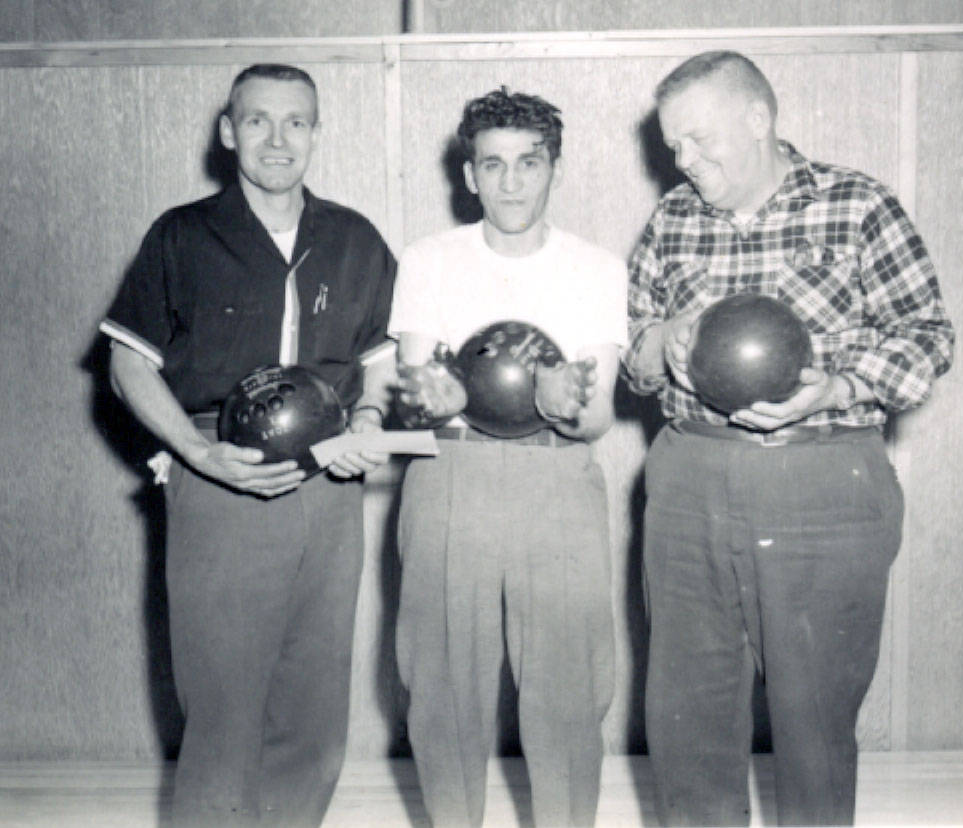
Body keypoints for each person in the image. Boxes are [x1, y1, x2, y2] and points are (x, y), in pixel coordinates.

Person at [622, 51, 954, 826]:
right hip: (690, 481)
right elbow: (635, 362)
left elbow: (929, 337)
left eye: (699, 140)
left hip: (823, 480)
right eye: (673, 146)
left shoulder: (858, 204)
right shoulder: (672, 220)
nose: (684, 161)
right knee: (688, 718)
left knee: (814, 725)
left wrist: (836, 386)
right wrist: (662, 336)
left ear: (759, 118)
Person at [99, 64, 396, 826]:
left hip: (329, 485)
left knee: (314, 709)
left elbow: (383, 363)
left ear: (315, 134)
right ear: (228, 132)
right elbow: (129, 361)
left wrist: (368, 425)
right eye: (257, 120)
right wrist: (196, 456)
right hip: (219, 472)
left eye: (296, 122)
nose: (277, 139)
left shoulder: (354, 238)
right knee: (224, 707)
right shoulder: (182, 234)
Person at [387, 87, 628, 826]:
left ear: (555, 167)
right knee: (443, 684)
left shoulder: (596, 266)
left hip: (556, 476)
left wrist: (566, 401)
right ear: (469, 175)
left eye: (529, 162)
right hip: (450, 476)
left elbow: (597, 417)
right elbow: (413, 396)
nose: (512, 181)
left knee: (565, 689)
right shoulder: (427, 260)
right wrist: (434, 396)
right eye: (493, 165)